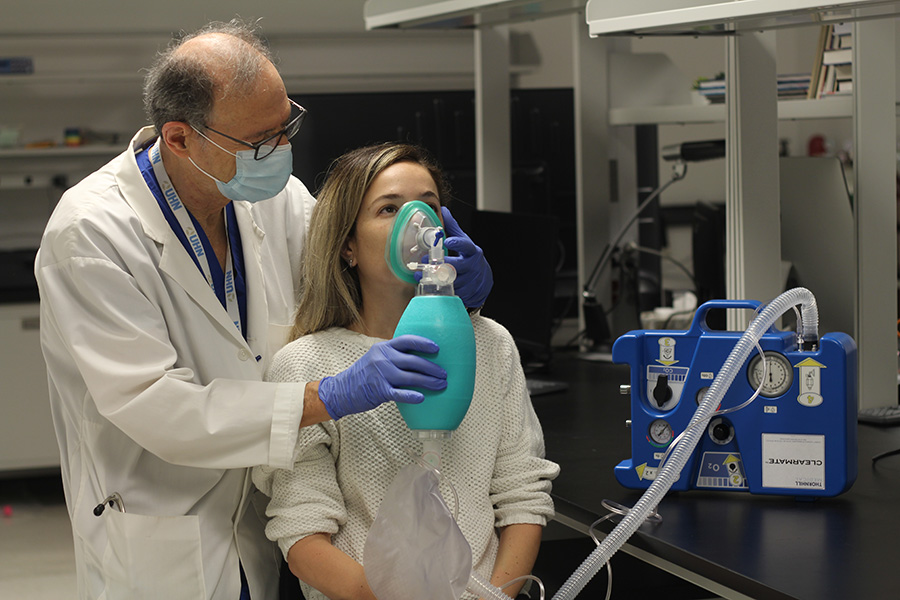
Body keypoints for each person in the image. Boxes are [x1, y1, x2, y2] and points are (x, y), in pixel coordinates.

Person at [35, 20, 492, 600]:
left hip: (280, 515)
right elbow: (154, 406)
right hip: (167, 526)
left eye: (286, 127)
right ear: (179, 139)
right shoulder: (93, 234)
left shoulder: (276, 199)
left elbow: (357, 277)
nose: (280, 152)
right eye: (259, 141)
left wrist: (453, 286)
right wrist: (328, 396)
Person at [252, 142, 559, 600]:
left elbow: (523, 496)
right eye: (389, 208)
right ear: (348, 246)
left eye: (428, 206)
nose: (417, 224)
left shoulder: (490, 344)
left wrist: (495, 595)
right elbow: (302, 534)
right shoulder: (306, 365)